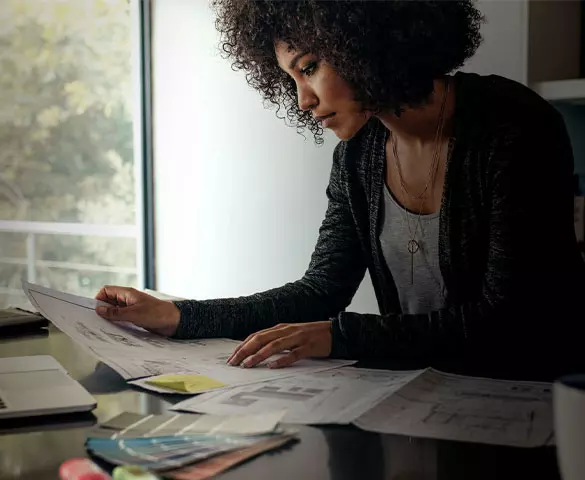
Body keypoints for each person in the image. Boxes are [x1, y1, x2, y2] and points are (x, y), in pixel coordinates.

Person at [95, 0, 585, 379]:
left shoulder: (513, 124)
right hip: (429, 397)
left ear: (368, 39)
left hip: (534, 406)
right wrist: (176, 315)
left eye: (309, 68)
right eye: (290, 79)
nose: (303, 100)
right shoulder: (358, 156)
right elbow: (318, 293)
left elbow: (510, 318)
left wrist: (342, 337)